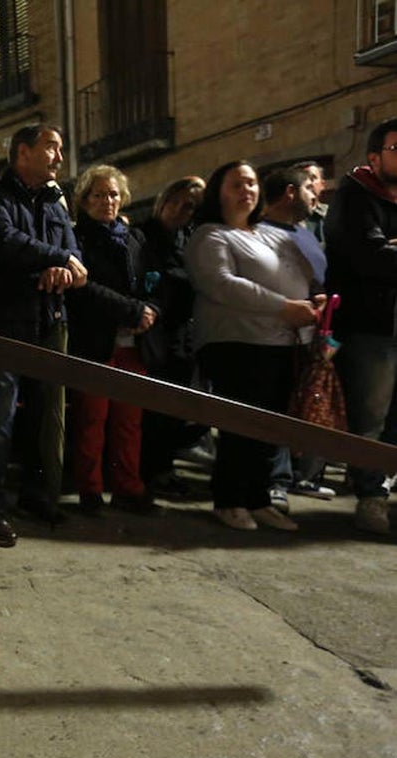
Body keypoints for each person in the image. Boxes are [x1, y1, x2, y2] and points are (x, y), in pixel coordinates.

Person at [184, 160, 322, 532]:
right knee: (242, 425)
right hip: (237, 343)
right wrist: (284, 307)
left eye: (251, 183)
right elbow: (223, 284)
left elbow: (303, 276)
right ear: (219, 192)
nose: (246, 189)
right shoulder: (211, 236)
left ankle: (259, 499)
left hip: (282, 343)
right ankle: (229, 499)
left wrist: (314, 301)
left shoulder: (272, 233)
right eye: (236, 184)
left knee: (271, 427)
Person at [0, 124, 87, 546]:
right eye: (51, 147)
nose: (59, 156)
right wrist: (58, 258)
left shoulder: (55, 202)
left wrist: (63, 265)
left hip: (48, 318)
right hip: (4, 322)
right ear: (22, 153)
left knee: (41, 413)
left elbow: (75, 252)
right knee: (0, 416)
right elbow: (4, 242)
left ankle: (34, 494)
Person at [66, 165, 160, 515]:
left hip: (135, 343)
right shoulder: (77, 237)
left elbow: (153, 279)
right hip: (97, 340)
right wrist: (130, 310)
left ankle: (127, 487)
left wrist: (149, 310)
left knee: (129, 421)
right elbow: (82, 287)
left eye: (114, 194)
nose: (108, 201)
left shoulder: (135, 238)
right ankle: (90, 490)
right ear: (84, 199)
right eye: (99, 194)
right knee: (92, 420)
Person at [325, 117, 397, 535]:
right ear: (375, 156)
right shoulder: (355, 195)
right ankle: (371, 498)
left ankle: (383, 488)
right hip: (372, 327)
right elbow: (368, 257)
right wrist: (385, 251)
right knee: (370, 416)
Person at [259, 166, 336, 506]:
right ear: (290, 192)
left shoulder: (305, 232)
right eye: (308, 188)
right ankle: (276, 481)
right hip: (272, 336)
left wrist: (319, 296)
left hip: (311, 335)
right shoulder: (258, 232)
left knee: (305, 405)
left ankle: (303, 476)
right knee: (275, 407)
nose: (315, 194)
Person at [138, 176, 206, 495]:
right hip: (154, 333)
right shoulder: (142, 235)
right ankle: (152, 471)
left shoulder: (191, 238)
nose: (179, 209)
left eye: (189, 206)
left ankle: (165, 467)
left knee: (180, 409)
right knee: (155, 408)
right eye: (174, 201)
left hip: (184, 335)